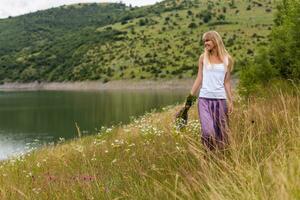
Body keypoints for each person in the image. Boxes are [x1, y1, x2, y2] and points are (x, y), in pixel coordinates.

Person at [177, 30, 234, 151]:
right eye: (204, 41)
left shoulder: (227, 59)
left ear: (215, 40)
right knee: (208, 132)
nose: (205, 43)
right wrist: (189, 99)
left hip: (220, 100)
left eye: (208, 40)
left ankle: (217, 159)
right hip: (204, 100)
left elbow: (227, 82)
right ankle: (207, 154)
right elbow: (199, 78)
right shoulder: (203, 58)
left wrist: (231, 101)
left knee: (222, 134)